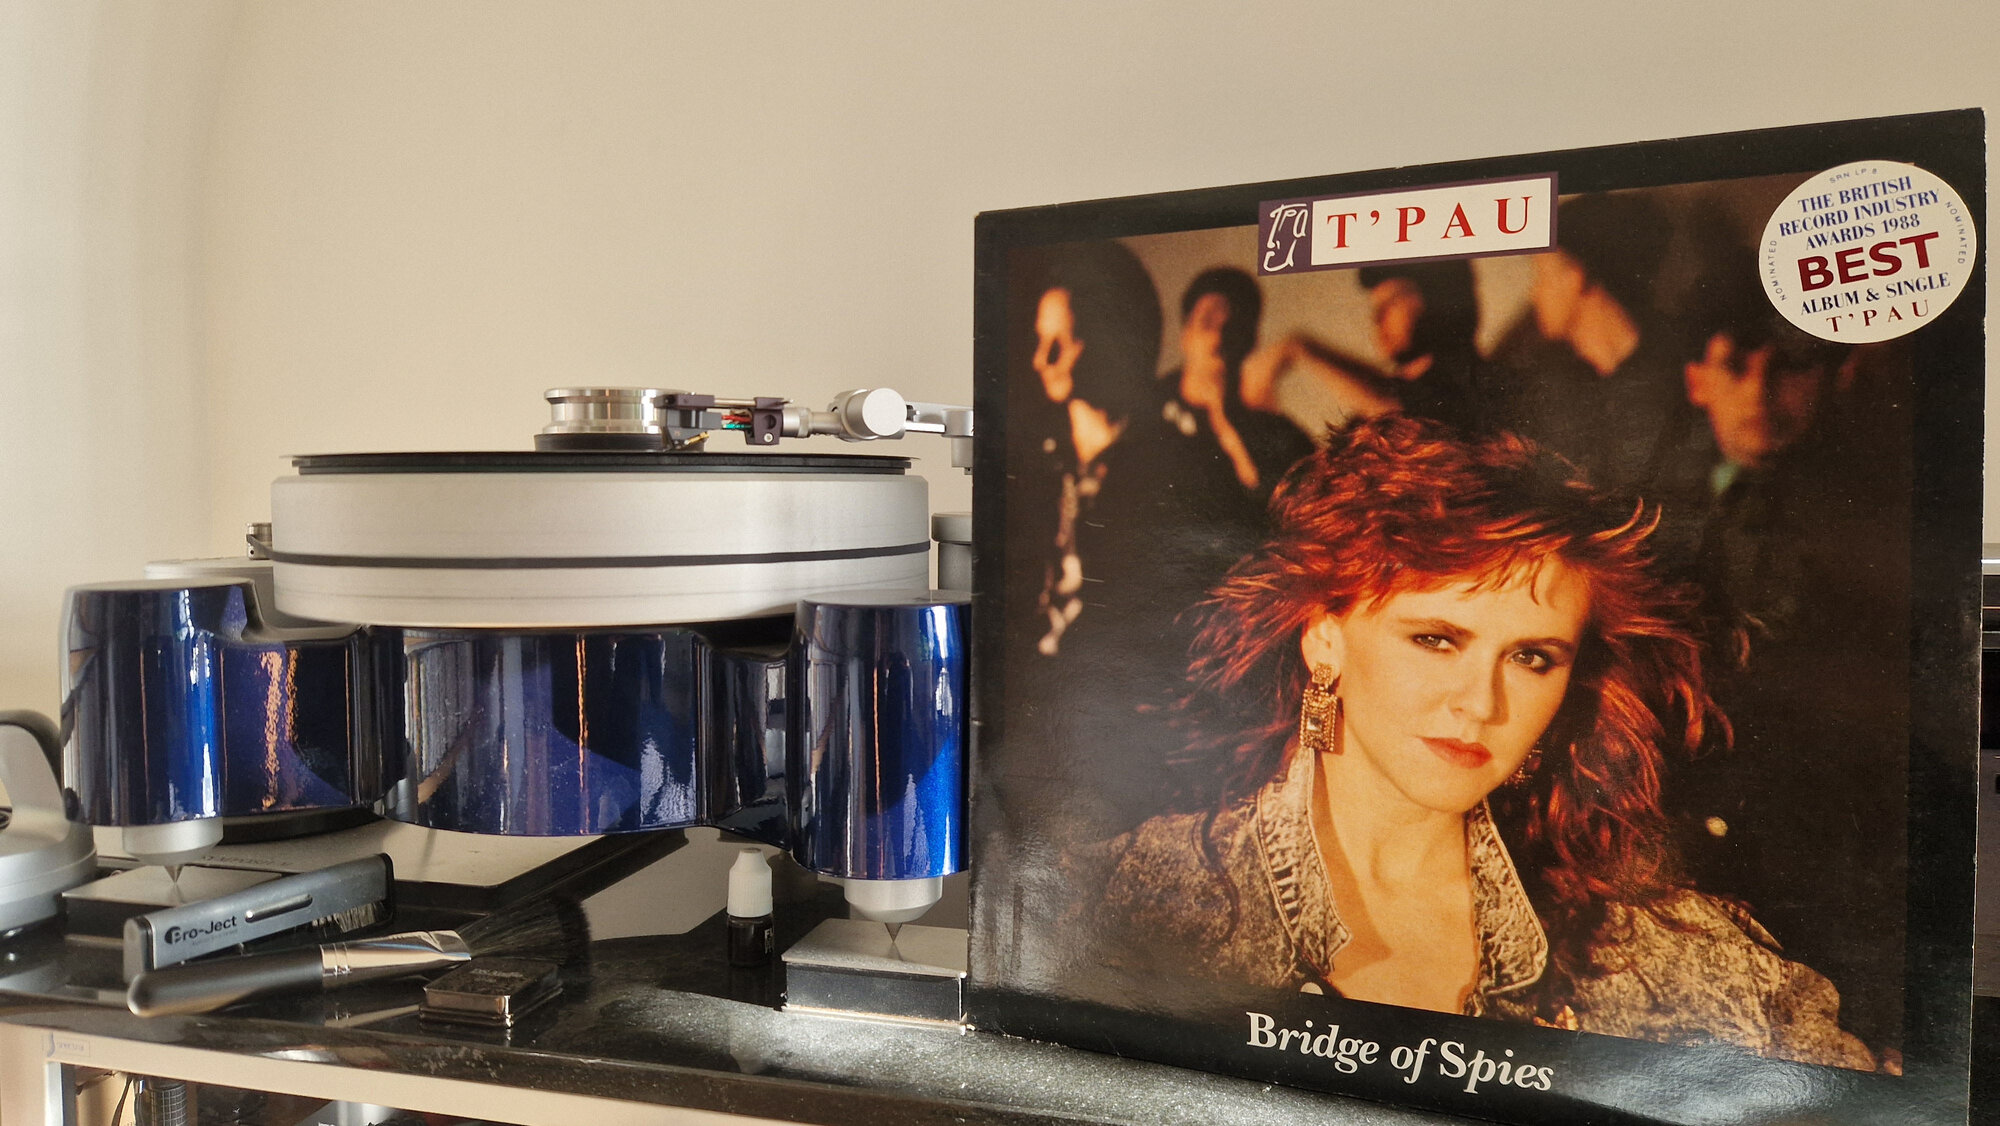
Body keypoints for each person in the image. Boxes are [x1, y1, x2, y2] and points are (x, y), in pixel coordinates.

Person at [1088, 415, 1877, 1070]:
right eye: (1436, 639)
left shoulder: (1670, 954)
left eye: (1531, 658)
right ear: (1325, 638)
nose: (1481, 703)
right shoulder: (1123, 895)